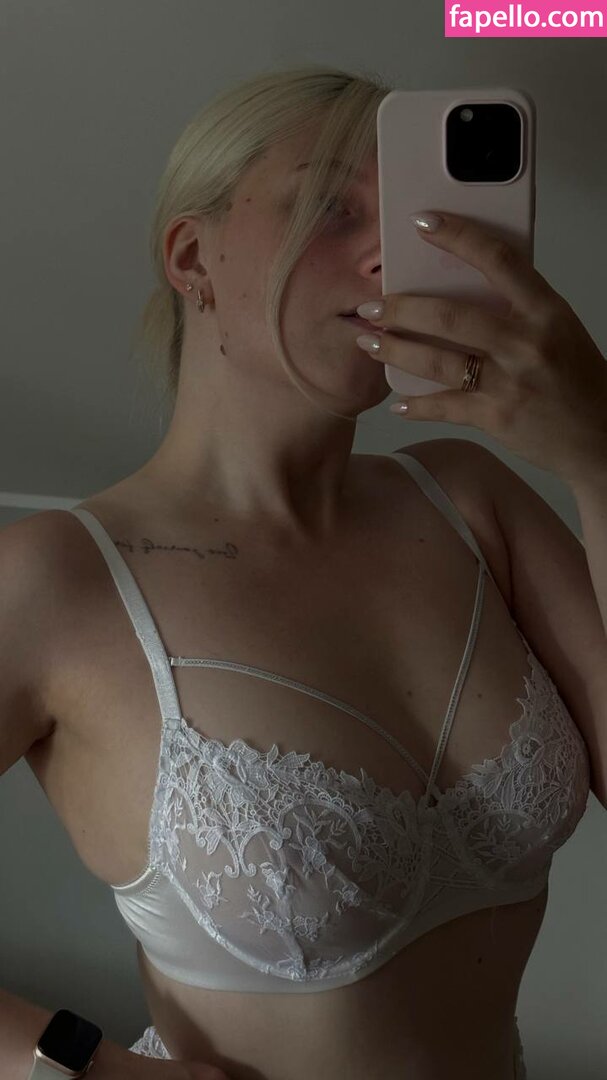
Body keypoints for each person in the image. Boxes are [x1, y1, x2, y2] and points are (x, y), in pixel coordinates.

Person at [2, 63, 593, 1080]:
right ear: (193, 256)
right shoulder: (55, 580)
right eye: (329, 208)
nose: (388, 254)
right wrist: (79, 1067)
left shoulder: (471, 501)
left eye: (406, 214)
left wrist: (597, 452)